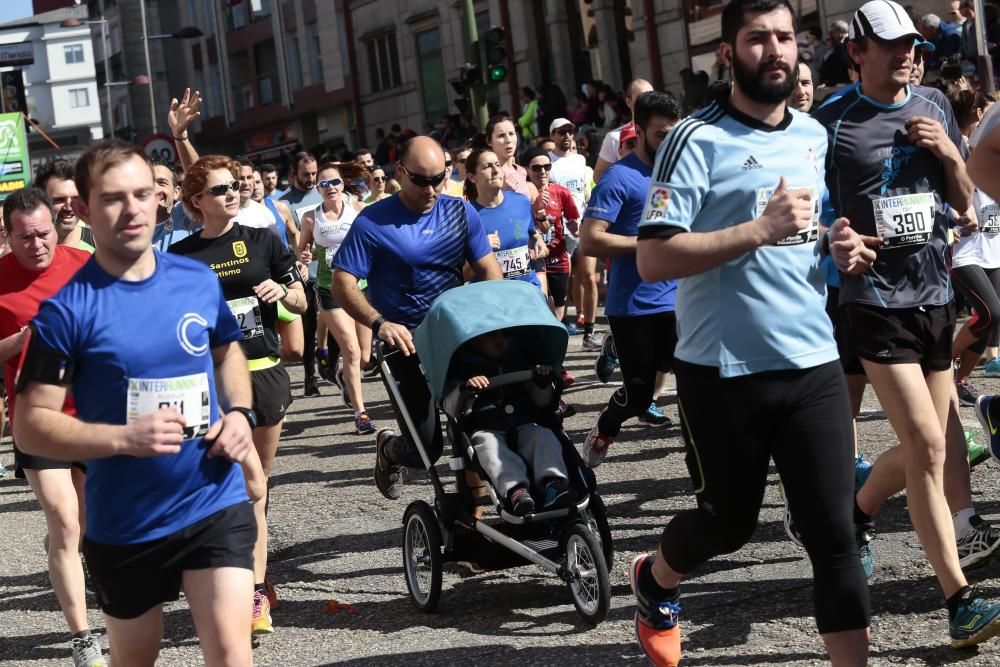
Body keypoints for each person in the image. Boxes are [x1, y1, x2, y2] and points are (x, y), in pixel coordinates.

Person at [630, 0, 875, 663]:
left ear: (800, 48)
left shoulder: (812, 135)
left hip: (813, 361)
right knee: (728, 524)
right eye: (757, 38)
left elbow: (806, 234)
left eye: (785, 37)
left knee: (835, 535)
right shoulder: (693, 138)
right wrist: (757, 231)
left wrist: (837, 242)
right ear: (728, 53)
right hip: (721, 371)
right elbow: (653, 256)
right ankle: (655, 577)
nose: (774, 50)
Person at [15, 139, 257, 666]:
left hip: (212, 496)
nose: (132, 209)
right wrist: (123, 439)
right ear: (80, 210)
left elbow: (227, 353)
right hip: (127, 523)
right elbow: (29, 424)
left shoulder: (194, 279)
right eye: (113, 198)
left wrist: (239, 412)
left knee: (232, 654)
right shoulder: (67, 311)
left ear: (159, 199)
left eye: (143, 194)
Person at [814, 0, 1000, 648]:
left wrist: (951, 153)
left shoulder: (933, 106)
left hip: (933, 293)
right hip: (872, 300)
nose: (907, 55)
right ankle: (959, 598)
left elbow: (959, 200)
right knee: (925, 442)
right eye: (892, 45)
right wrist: (832, 236)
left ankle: (860, 507)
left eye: (913, 45)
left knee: (936, 448)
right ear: (857, 52)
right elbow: (803, 208)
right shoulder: (831, 121)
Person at [169, 154, 307, 636]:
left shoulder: (264, 240)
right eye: (220, 190)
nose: (232, 194)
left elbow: (301, 299)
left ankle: (254, 591)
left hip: (262, 372)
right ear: (196, 202)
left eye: (234, 187)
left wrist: (280, 292)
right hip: (207, 383)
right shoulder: (182, 257)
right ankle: (224, 581)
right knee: (214, 485)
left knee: (257, 487)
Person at [331, 136, 501, 500]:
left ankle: (471, 531)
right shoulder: (373, 222)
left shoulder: (460, 211)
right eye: (421, 180)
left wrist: (490, 323)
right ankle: (389, 449)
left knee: (476, 428)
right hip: (403, 344)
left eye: (439, 178)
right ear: (400, 172)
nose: (431, 189)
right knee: (426, 451)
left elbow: (490, 271)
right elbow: (342, 283)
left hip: (454, 339)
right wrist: (380, 323)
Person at [0, 189, 102, 666]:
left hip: (91, 414)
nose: (37, 244)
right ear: (8, 235)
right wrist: (21, 340)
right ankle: (84, 639)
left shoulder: (83, 264)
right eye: (25, 238)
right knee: (63, 519)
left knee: (87, 521)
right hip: (36, 419)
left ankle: (72, 549)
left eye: (44, 233)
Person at [579, 91, 683, 469]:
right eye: (660, 135)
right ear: (638, 131)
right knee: (639, 397)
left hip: (679, 300)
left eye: (675, 134)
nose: (668, 143)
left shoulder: (678, 173)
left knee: (696, 382)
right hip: (633, 307)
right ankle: (606, 426)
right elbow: (591, 239)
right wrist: (646, 243)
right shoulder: (619, 178)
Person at [447, 330, 573, 515]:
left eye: (504, 335)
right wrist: (464, 388)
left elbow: (542, 402)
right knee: (489, 449)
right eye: (490, 336)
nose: (500, 340)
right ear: (474, 341)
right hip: (486, 426)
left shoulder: (520, 356)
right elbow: (449, 406)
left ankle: (553, 484)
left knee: (544, 436)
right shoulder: (462, 363)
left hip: (523, 422)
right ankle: (516, 490)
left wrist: (542, 382)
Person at [297, 162, 377, 434]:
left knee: (365, 356)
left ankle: (343, 376)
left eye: (334, 182)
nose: (330, 187)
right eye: (324, 184)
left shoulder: (358, 209)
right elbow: (301, 252)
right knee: (351, 351)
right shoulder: (311, 217)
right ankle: (360, 413)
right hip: (329, 289)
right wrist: (304, 258)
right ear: (318, 189)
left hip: (359, 287)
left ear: (343, 184)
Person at [548, 118, 598, 348]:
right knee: (562, 282)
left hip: (582, 226)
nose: (567, 136)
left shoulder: (581, 160)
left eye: (570, 132)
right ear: (552, 136)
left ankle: (589, 331)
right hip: (559, 231)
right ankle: (560, 326)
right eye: (561, 132)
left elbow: (585, 192)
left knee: (588, 276)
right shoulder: (548, 163)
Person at [465, 148, 544, 289]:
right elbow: (463, 274)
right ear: (472, 177)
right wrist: (481, 248)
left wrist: (539, 241)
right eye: (487, 166)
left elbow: (532, 233)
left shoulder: (522, 202)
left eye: (497, 165)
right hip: (493, 298)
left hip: (527, 291)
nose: (495, 170)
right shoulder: (467, 216)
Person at [594, 79, 654, 183]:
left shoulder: (665, 133)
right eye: (642, 97)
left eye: (652, 96)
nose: (648, 101)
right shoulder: (614, 137)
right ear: (628, 102)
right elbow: (598, 175)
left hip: (661, 197)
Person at [35, 159, 94, 252]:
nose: (69, 207)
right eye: (59, 200)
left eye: (75, 198)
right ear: (40, 201)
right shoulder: (24, 252)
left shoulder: (101, 245)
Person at [819, 19, 853, 85]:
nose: (832, 34)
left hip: (847, 81)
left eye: (833, 32)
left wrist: (831, 81)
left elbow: (846, 64)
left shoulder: (847, 43)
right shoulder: (841, 44)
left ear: (841, 31)